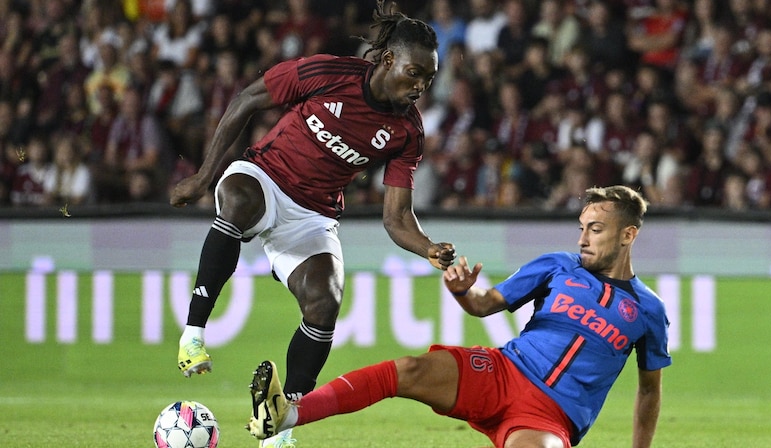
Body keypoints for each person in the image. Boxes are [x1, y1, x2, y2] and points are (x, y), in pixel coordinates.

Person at [170, 1, 456, 443]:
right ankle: (193, 335)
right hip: (265, 176)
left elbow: (396, 217)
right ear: (387, 60)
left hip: (312, 214)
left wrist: (429, 248)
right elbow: (247, 99)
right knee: (238, 200)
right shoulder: (329, 73)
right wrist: (204, 178)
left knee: (326, 300)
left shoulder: (407, 133)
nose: (421, 86)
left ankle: (283, 423)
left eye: (429, 79)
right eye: (414, 73)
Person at [248, 185, 671, 448]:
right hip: (502, 372)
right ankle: (288, 415)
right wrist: (463, 291)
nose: (582, 238)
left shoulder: (649, 311)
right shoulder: (558, 266)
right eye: (582, 226)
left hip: (549, 416)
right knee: (409, 369)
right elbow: (486, 305)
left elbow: (649, 391)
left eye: (595, 229)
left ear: (628, 234)